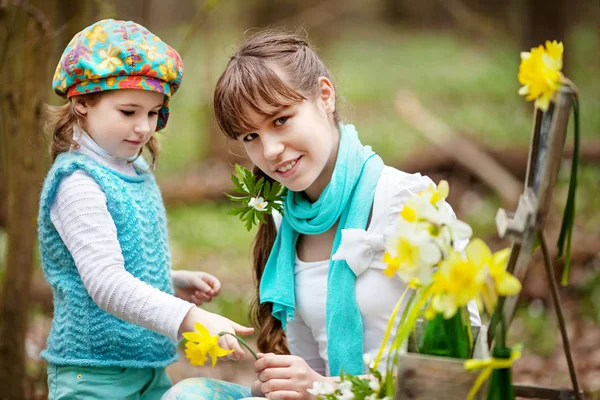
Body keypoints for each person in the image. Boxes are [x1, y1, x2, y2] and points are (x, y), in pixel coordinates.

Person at [164, 30, 480, 400]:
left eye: (280, 120)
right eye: (250, 136)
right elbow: (308, 367)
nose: (271, 150)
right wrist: (281, 385)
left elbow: (461, 366)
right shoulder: (286, 219)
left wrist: (323, 387)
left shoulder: (407, 202)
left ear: (325, 96)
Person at [39, 19, 253, 400]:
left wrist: (169, 280)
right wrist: (190, 319)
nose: (143, 128)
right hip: (93, 375)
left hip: (147, 367)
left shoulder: (132, 170)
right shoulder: (78, 184)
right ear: (82, 102)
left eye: (153, 113)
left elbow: (115, 260)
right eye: (128, 111)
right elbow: (104, 282)